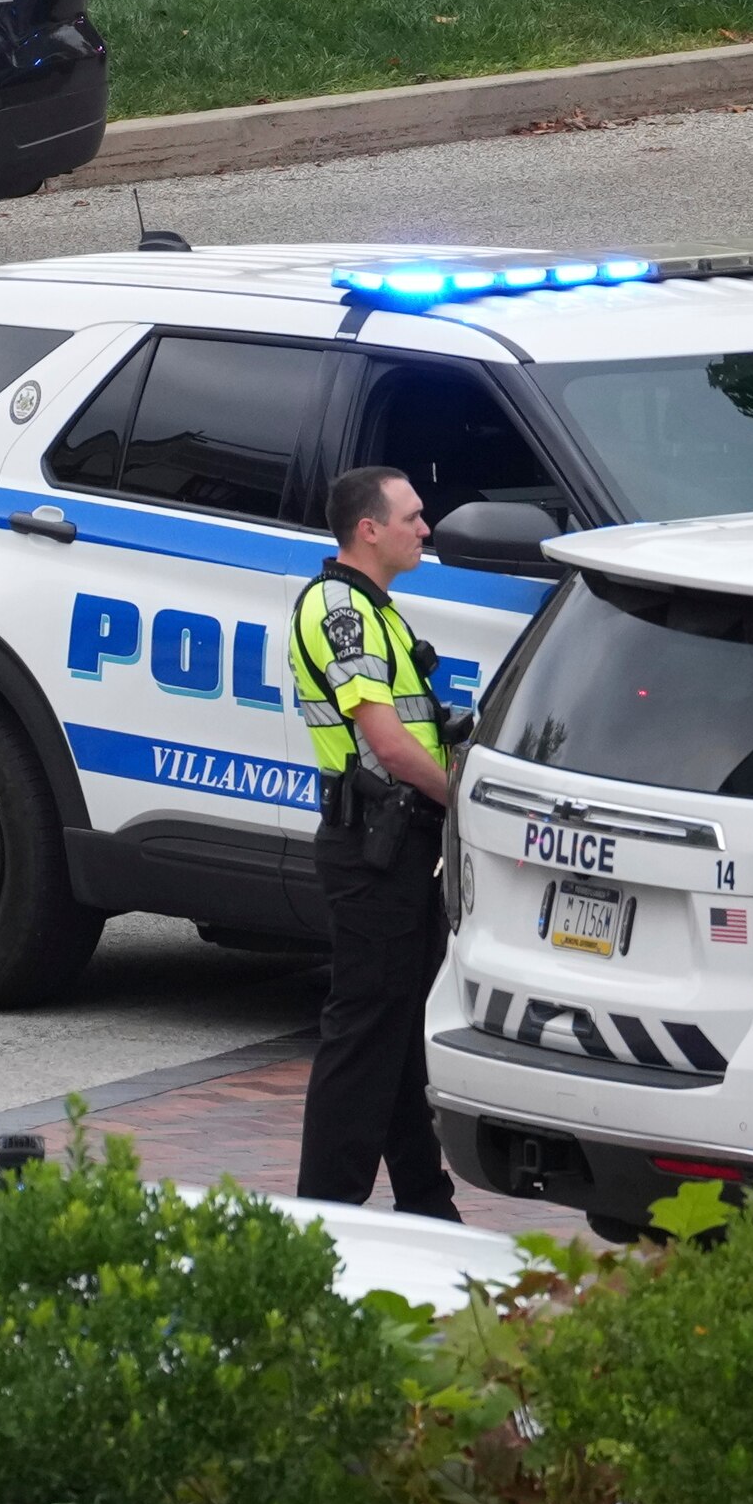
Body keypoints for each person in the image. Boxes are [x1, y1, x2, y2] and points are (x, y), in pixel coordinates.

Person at [288, 465, 464, 1220]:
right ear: (370, 528)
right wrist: (468, 800)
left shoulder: (377, 609)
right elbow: (388, 746)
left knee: (394, 1037)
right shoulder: (340, 610)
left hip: (397, 847)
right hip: (374, 850)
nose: (425, 528)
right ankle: (326, 1218)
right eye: (413, 516)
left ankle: (428, 1207)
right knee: (364, 1037)